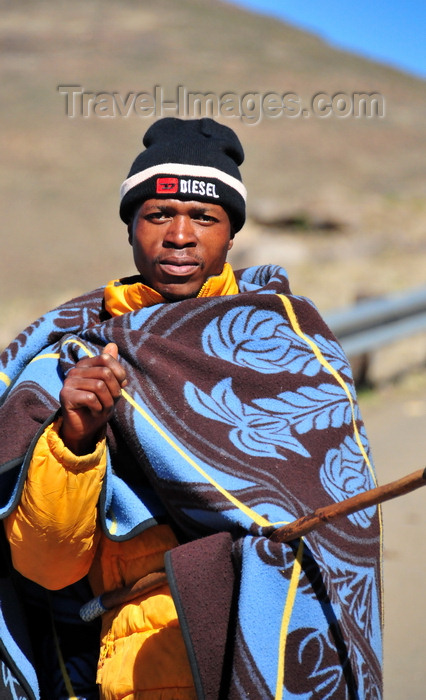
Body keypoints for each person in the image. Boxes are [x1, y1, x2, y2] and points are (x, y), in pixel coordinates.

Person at [0, 118, 383, 699]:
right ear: (131, 227)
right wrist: (75, 438)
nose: (180, 235)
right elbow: (47, 568)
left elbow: (344, 532)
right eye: (157, 215)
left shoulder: (290, 344)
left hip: (280, 655)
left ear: (231, 235)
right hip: (136, 672)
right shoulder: (72, 362)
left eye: (204, 217)